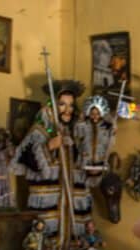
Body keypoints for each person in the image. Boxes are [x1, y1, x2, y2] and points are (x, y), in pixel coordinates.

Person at [13, 80, 91, 238]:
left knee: (78, 247)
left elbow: (89, 167)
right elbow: (24, 160)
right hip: (48, 206)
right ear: (53, 106)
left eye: (70, 105)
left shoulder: (79, 133)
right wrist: (48, 147)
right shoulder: (39, 130)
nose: (67, 110)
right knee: (45, 245)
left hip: (75, 208)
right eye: (62, 104)